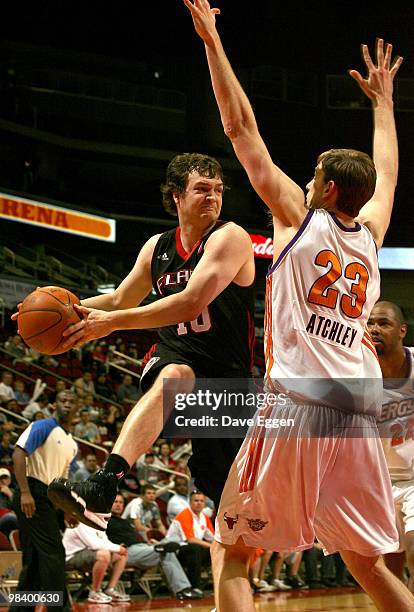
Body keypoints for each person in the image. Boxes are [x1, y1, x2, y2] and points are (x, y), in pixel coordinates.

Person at [182, 3, 413, 611]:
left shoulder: (297, 217)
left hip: (302, 401)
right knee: (365, 564)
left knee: (234, 549)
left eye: (314, 173)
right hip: (358, 412)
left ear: (328, 188)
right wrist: (383, 104)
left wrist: (213, 42)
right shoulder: (370, 233)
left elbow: (240, 130)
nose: (307, 177)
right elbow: (387, 173)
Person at [46, 150, 255, 528]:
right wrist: (64, 311)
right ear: (176, 195)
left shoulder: (231, 237)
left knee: (230, 507)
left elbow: (190, 303)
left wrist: (112, 323)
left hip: (226, 377)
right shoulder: (156, 247)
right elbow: (118, 299)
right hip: (177, 353)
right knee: (175, 376)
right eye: (202, 189)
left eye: (219, 190)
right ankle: (103, 487)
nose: (213, 197)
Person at [10, 390, 78, 612]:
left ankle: (20, 609)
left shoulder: (72, 444)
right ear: (53, 405)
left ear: (78, 408)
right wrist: (25, 492)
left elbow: (61, 480)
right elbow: (19, 453)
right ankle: (59, 608)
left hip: (48, 496)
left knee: (36, 561)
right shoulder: (44, 426)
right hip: (32, 492)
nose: (67, 404)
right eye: (63, 400)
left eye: (72, 402)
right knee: (54, 553)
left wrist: (67, 509)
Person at [368, 301, 414, 592]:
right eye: (370, 322)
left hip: (413, 479)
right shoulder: (359, 372)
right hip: (380, 481)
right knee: (390, 562)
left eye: (383, 323)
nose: (374, 329)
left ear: (402, 331)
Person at [108, 492, 203, 600]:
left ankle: (163, 545)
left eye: (121, 502)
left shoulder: (125, 522)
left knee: (173, 541)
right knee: (165, 551)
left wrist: (147, 543)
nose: (118, 505)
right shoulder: (104, 520)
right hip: (126, 551)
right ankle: (182, 589)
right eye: (115, 502)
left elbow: (135, 538)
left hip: (141, 548)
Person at [62, 521, 130, 603]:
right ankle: (95, 592)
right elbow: (94, 544)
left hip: (88, 554)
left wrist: (119, 549)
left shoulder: (98, 523)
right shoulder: (81, 522)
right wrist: (118, 548)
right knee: (104, 554)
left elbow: (105, 542)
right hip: (71, 557)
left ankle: (110, 589)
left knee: (121, 555)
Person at [167, 490, 214, 593]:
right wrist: (212, 547)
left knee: (219, 552)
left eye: (201, 501)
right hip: (175, 551)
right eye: (196, 500)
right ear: (190, 502)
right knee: (195, 549)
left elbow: (213, 538)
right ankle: (194, 587)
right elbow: (190, 539)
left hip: (194, 549)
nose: (199, 503)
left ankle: (222, 586)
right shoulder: (184, 515)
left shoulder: (204, 517)